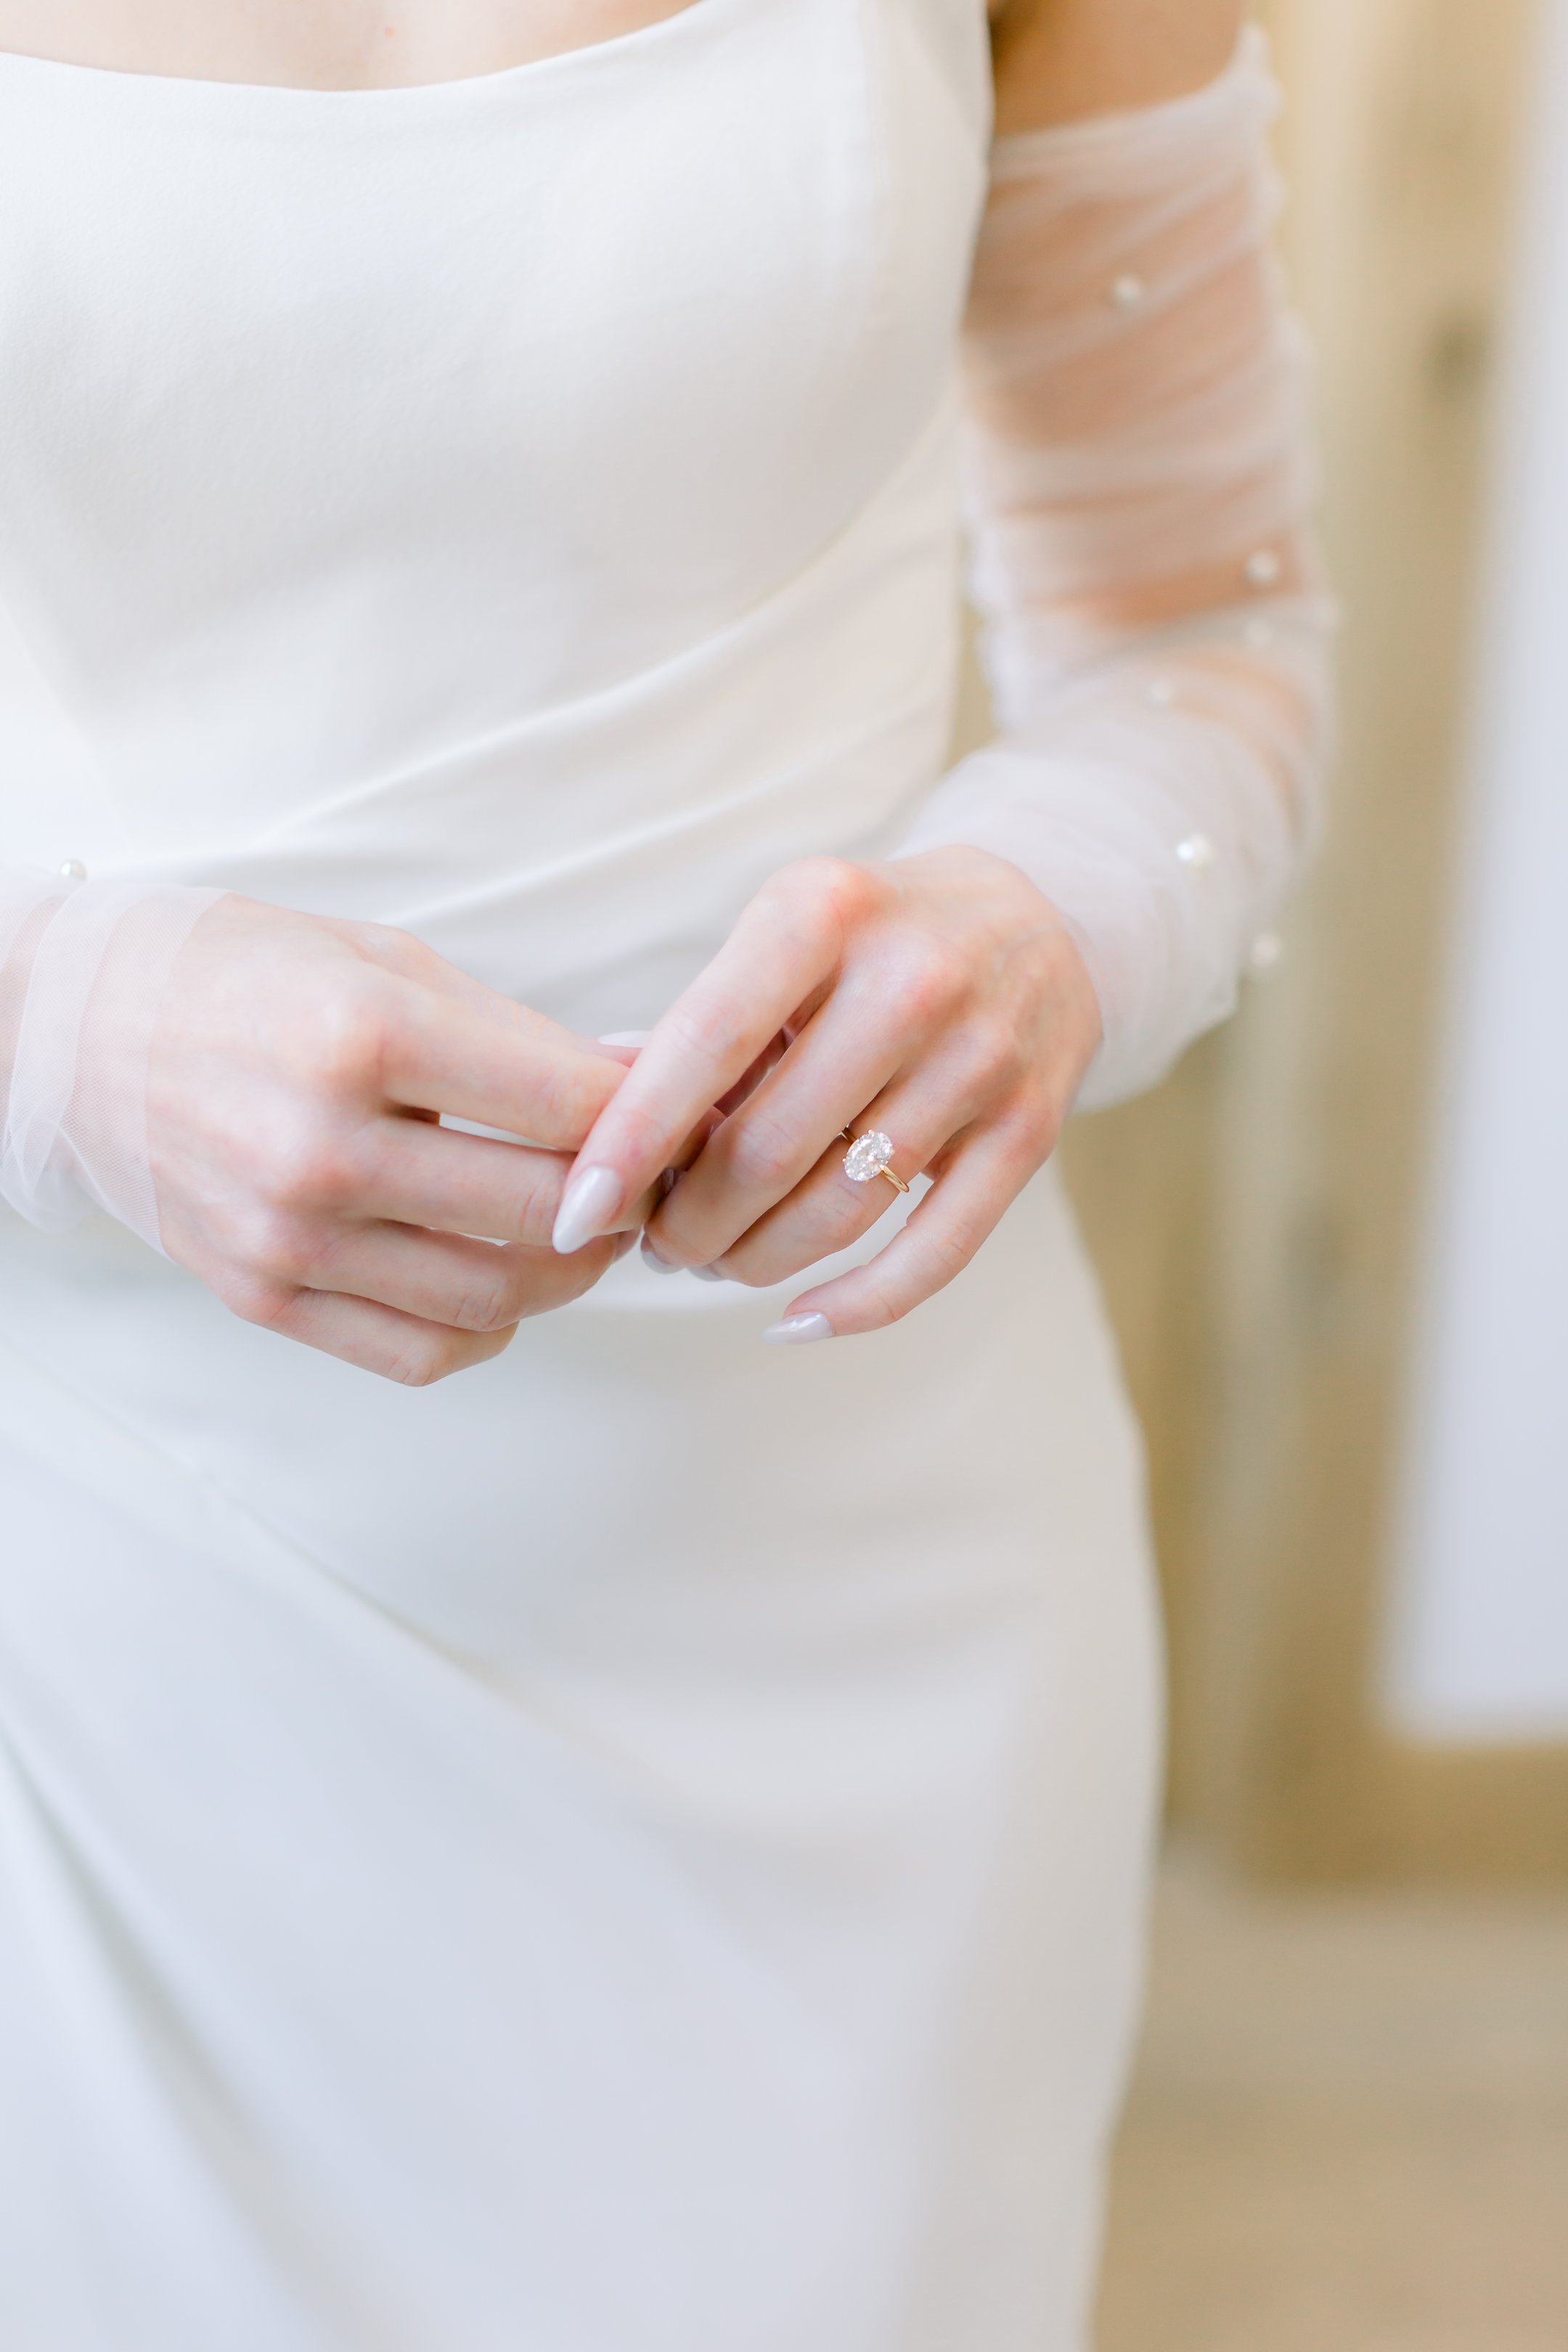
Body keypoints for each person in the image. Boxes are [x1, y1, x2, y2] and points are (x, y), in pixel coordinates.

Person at [0, 0, 1331, 2343]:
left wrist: (1044, 921)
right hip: (96, 1592)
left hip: (839, 1576)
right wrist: (57, 1023)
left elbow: (1203, 628)